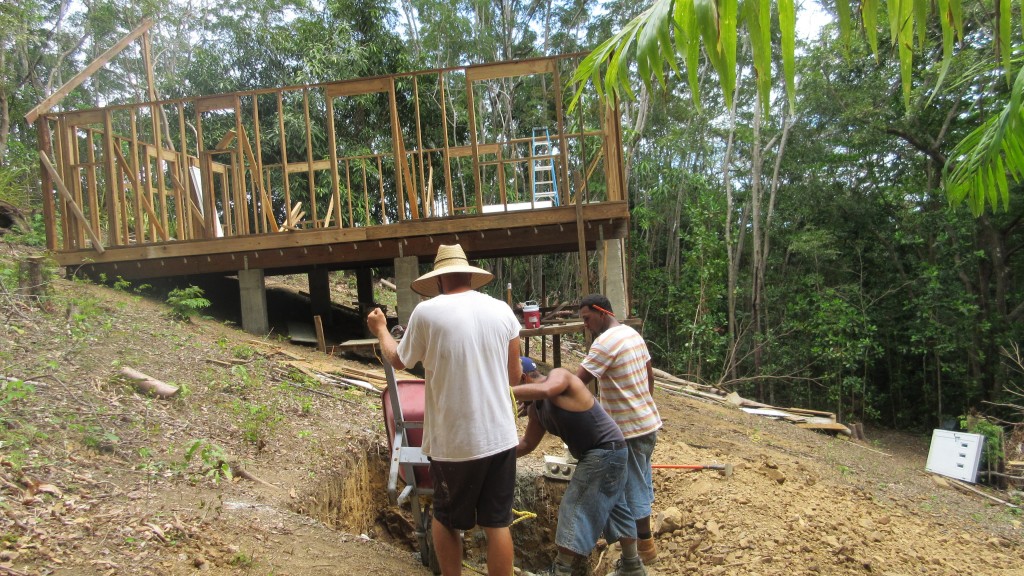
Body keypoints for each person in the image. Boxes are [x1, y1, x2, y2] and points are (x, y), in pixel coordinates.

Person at [367, 244, 522, 576]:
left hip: (456, 443)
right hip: (501, 437)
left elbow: (400, 360)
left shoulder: (427, 313)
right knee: (498, 523)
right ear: (470, 275)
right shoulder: (502, 311)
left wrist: (381, 330)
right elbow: (514, 376)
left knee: (447, 520)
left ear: (438, 281)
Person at [514, 357, 648, 576]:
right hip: (606, 452)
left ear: (524, 378)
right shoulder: (536, 410)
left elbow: (548, 389)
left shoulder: (559, 376)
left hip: (606, 450)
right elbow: (527, 444)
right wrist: (496, 455)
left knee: (575, 506)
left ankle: (561, 570)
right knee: (616, 507)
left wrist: (505, 392)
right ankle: (632, 566)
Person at [574, 294, 662, 564]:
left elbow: (578, 383)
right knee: (641, 481)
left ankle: (640, 554)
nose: (586, 325)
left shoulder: (605, 342)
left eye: (587, 319)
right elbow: (649, 375)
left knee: (628, 490)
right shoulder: (631, 334)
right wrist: (642, 403)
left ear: (602, 312)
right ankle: (643, 546)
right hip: (647, 423)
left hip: (629, 430)